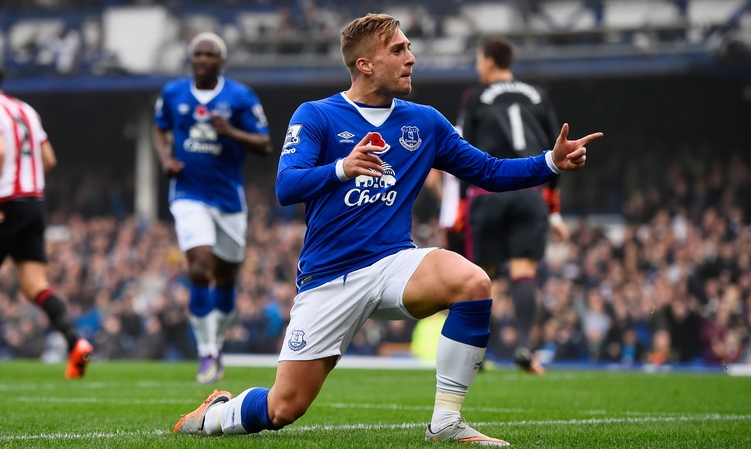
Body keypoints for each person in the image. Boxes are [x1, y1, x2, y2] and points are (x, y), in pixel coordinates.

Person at [173, 14, 601, 446]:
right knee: (284, 408)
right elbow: (286, 185)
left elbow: (487, 171)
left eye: (409, 48)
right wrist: (342, 167)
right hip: (329, 277)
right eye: (398, 50)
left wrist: (549, 161)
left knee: (473, 281)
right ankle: (215, 414)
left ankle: (447, 421)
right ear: (365, 64)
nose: (411, 59)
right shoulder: (318, 115)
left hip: (394, 262)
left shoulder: (426, 122)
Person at [0, 57, 92, 380]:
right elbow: (49, 159)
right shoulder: (26, 109)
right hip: (33, 202)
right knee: (35, 285)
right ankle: (76, 342)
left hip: (5, 202)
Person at [153, 33, 272, 384]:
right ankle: (206, 351)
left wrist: (231, 132)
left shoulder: (240, 97)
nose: (203, 59)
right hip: (188, 193)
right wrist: (165, 159)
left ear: (221, 62)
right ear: (191, 60)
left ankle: (216, 342)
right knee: (199, 268)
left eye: (210, 55)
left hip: (229, 199)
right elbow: (160, 129)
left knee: (226, 278)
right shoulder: (173, 93)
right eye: (197, 54)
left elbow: (264, 143)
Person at [456, 36, 569, 375]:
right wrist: (554, 210)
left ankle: (477, 354)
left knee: (480, 276)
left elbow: (460, 149)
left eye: (479, 59)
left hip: (489, 191)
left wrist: (462, 201)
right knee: (524, 273)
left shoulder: (475, 97)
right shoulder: (538, 95)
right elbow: (557, 151)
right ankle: (523, 346)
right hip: (531, 190)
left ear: (489, 61)